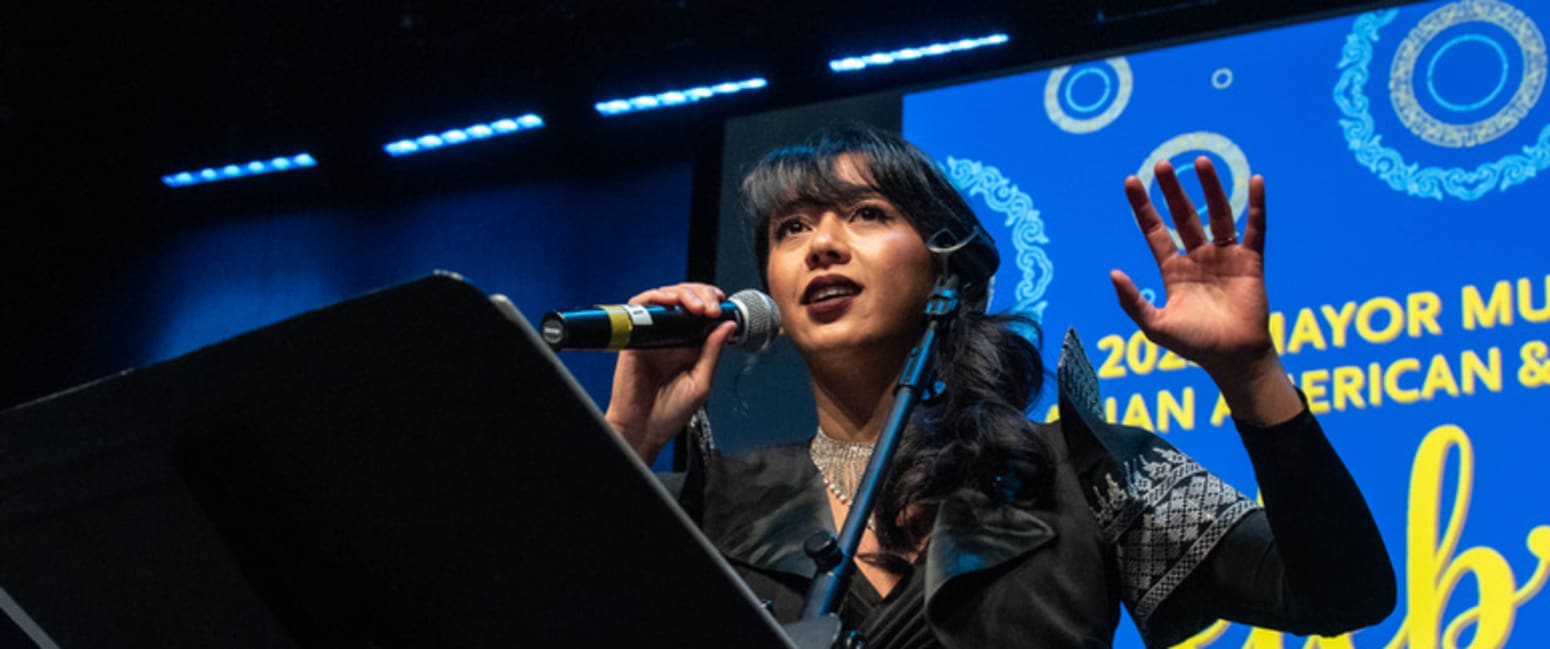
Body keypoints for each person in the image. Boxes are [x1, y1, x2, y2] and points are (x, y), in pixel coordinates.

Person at [603, 124, 1395, 648]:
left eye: (866, 213)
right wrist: (626, 441)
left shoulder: (1077, 472)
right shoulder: (708, 507)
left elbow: (1341, 593)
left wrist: (1250, 373)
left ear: (948, 268)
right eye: (792, 228)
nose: (823, 245)